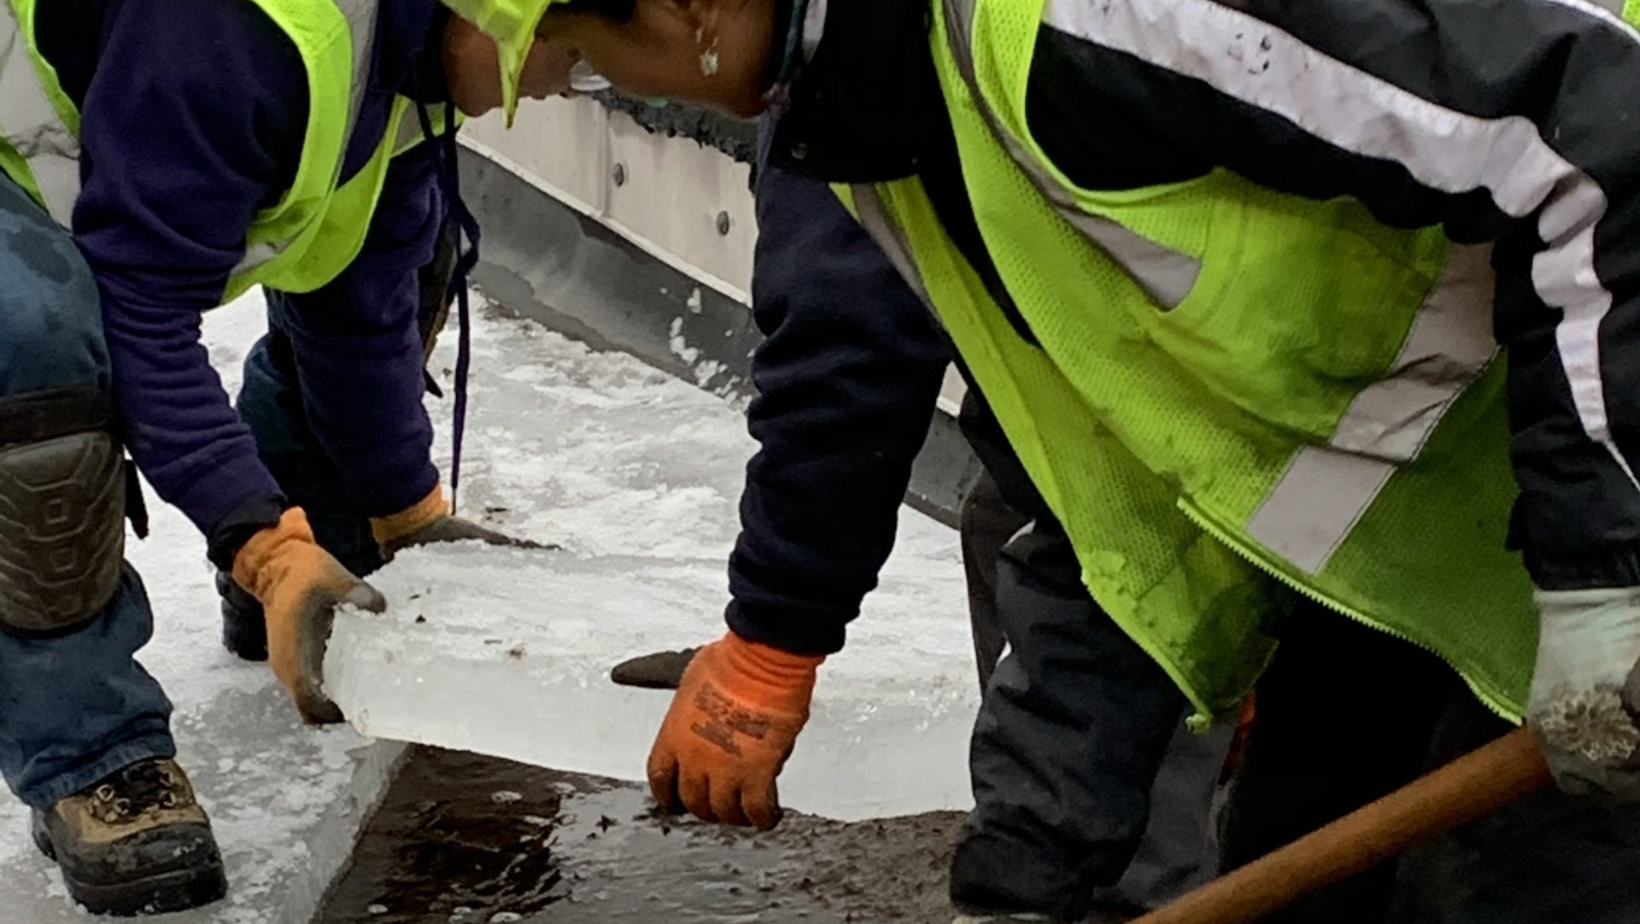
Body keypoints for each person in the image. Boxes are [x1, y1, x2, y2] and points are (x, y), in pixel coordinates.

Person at [478, 0, 1640, 921]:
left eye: (583, 58)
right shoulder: (894, 142)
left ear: (695, 7)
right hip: (1434, 576)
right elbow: (1111, 525)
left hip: (1588, 499)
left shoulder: (1080, 23)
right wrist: (1024, 879)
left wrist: (1605, 570)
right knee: (1307, 880)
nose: (594, 90)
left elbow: (1597, 134)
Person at [0, 0, 568, 913]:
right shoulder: (226, 31)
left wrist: (403, 508)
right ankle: (92, 755)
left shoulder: (420, 50)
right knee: (33, 354)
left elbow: (362, 277)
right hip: (12, 164)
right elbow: (142, 305)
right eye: (565, 54)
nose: (551, 91)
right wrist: (259, 543)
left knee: (417, 246)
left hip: (129, 131)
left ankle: (326, 534)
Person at [610, 147, 1233, 918]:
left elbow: (848, 355)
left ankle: (1129, 889)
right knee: (1007, 517)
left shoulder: (845, 73)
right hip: (1122, 399)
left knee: (1133, 605)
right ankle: (1075, 871)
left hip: (1250, 444)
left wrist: (771, 646)